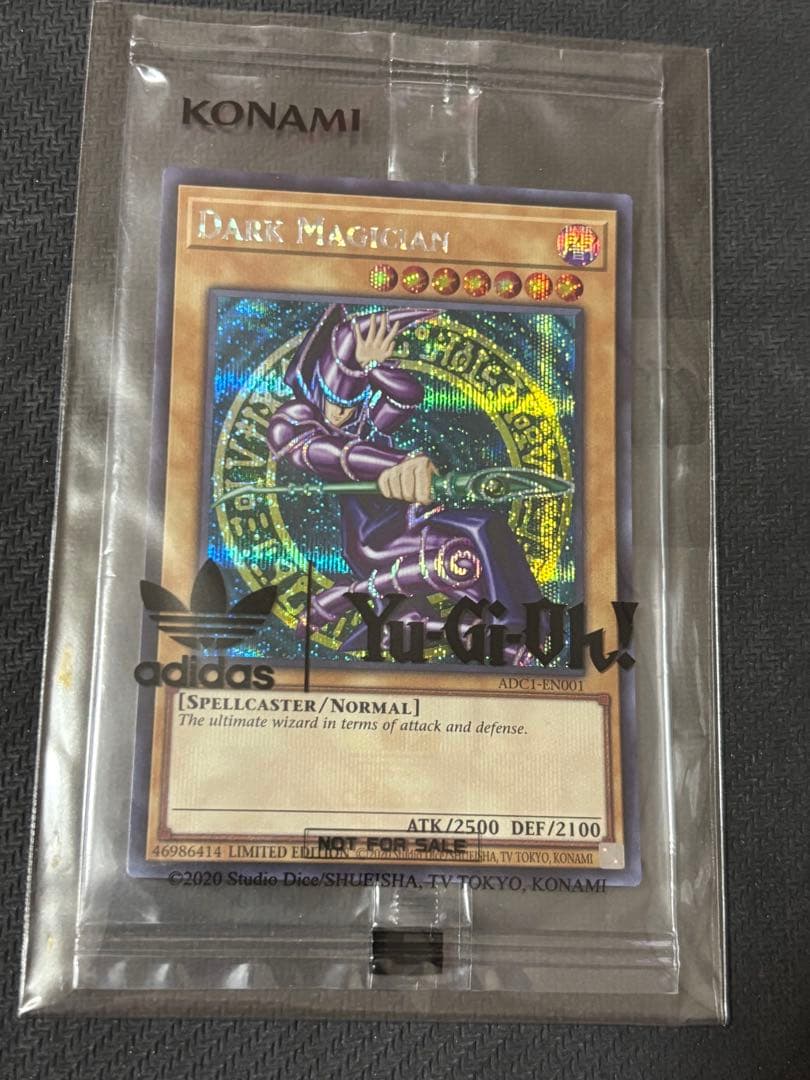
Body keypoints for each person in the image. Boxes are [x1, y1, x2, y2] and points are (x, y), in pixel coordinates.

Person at [267, 304, 541, 650]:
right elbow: (333, 454)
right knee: (461, 558)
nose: (342, 416)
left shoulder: (363, 421)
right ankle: (362, 599)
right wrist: (396, 463)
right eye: (334, 404)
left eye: (350, 406)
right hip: (373, 538)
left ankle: (521, 625)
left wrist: (373, 368)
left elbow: (407, 396)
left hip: (408, 519)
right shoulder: (294, 424)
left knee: (483, 526)